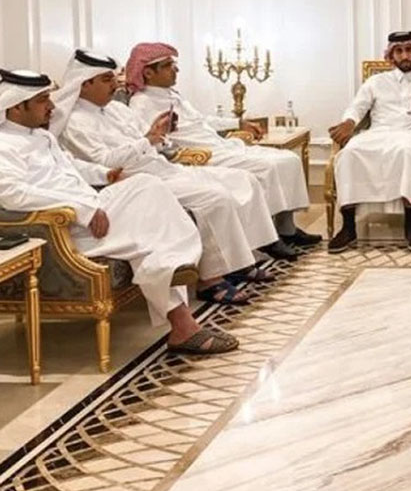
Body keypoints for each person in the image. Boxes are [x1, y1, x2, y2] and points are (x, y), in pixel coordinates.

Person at [0, 68, 236, 355]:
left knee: (147, 185)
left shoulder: (41, 136)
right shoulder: (4, 145)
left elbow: (71, 166)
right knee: (145, 236)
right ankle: (178, 302)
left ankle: (172, 267)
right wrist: (82, 210)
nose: (52, 106)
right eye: (42, 100)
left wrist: (106, 174)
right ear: (15, 106)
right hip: (69, 225)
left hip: (93, 204)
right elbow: (12, 194)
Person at [52, 49, 281, 305]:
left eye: (114, 78)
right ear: (84, 84)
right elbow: (105, 162)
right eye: (107, 80)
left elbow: (153, 142)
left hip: (164, 168)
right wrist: (147, 140)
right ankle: (211, 281)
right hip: (136, 182)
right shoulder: (75, 122)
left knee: (242, 179)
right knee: (215, 198)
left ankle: (241, 262)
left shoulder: (117, 110)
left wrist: (161, 135)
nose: (115, 84)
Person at [125, 43, 316, 260]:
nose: (175, 69)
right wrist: (168, 145)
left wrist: (238, 123)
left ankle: (287, 228)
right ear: (148, 72)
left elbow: (202, 120)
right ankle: (268, 238)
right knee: (267, 166)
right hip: (200, 153)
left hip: (219, 145)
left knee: (289, 159)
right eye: (168, 65)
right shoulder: (141, 103)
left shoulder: (172, 95)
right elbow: (149, 143)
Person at [326, 31, 411, 254]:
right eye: (399, 51)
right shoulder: (376, 81)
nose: (405, 56)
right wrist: (349, 122)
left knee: (407, 153)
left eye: (409, 50)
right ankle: (348, 227)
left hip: (409, 134)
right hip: (376, 133)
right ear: (391, 56)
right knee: (348, 154)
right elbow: (358, 106)